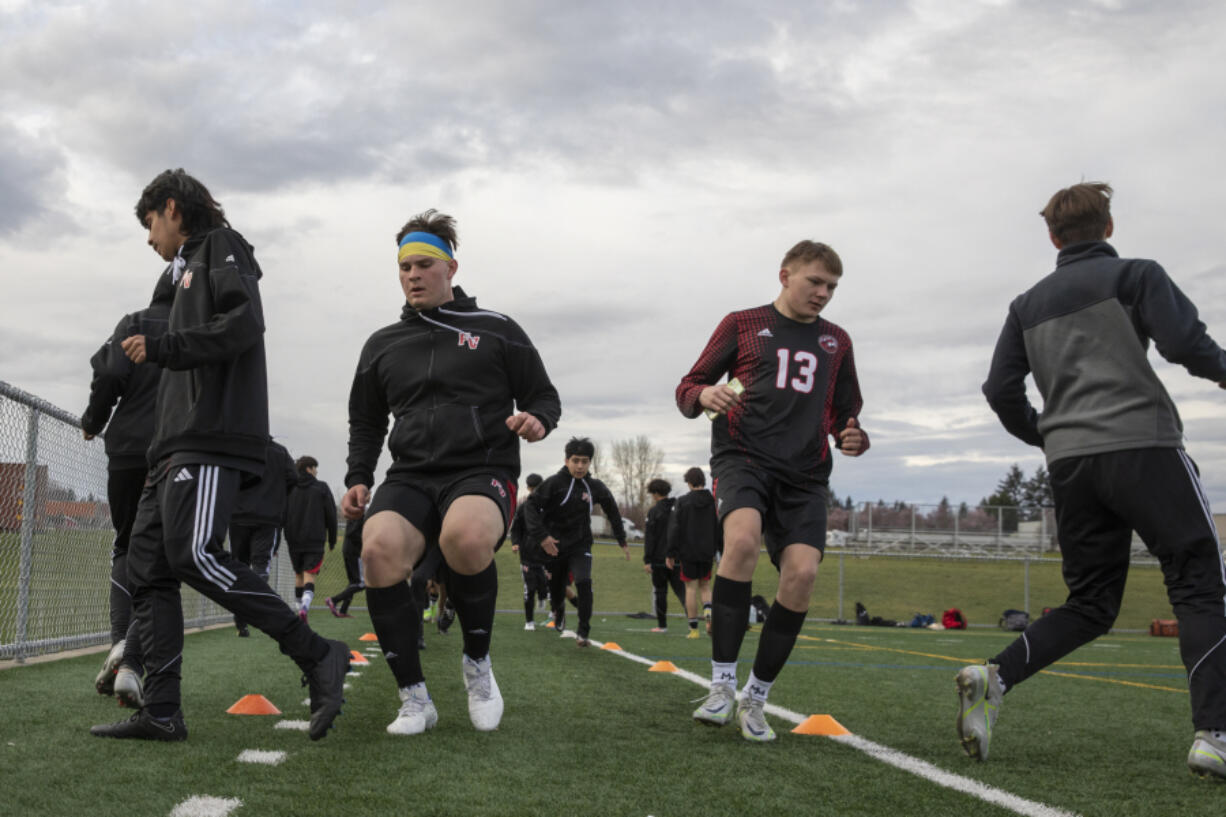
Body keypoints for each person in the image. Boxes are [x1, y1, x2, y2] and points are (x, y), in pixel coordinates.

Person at [969, 181, 1226, 777]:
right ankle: (1214, 733)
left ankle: (994, 676)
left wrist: (1046, 433)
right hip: (1145, 447)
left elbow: (998, 390)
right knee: (1197, 582)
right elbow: (1186, 343)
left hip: (1071, 466)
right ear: (1108, 228)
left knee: (1090, 603)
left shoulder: (1025, 305)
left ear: (1053, 237)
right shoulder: (1136, 275)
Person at [90, 169, 349, 743]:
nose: (149, 237)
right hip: (173, 445)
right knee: (149, 571)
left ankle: (317, 652)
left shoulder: (219, 248)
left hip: (211, 437)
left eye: (150, 222)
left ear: (174, 208)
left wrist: (167, 347)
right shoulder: (181, 272)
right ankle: (161, 711)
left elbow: (244, 322)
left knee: (194, 555)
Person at [343, 208, 560, 736]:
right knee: (376, 550)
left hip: (482, 468)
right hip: (412, 473)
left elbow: (543, 397)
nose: (412, 275)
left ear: (451, 268)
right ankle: (414, 697)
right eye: (404, 267)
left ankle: (478, 666)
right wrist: (358, 475)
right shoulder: (382, 344)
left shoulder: (498, 329)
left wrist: (537, 421)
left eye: (424, 264)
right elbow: (366, 421)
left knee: (463, 536)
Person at [676, 239, 867, 742]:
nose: (823, 293)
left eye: (832, 287)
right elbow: (688, 386)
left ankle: (756, 699)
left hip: (805, 476)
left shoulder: (837, 341)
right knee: (740, 542)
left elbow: (847, 413)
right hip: (743, 459)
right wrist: (702, 393)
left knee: (802, 575)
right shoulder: (742, 324)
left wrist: (853, 436)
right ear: (785, 276)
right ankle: (720, 688)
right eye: (815, 282)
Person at [81, 268, 173, 705]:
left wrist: (93, 420)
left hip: (127, 448)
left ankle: (119, 641)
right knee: (160, 558)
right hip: (174, 451)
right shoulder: (199, 330)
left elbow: (111, 375)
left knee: (124, 545)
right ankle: (132, 659)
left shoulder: (134, 322)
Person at [524, 436, 630, 647]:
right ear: (567, 461)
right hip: (554, 546)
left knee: (583, 582)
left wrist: (621, 539)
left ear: (590, 462)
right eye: (575, 460)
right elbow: (530, 507)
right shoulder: (554, 484)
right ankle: (558, 610)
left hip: (580, 545)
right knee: (556, 590)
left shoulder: (594, 486)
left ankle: (583, 632)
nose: (580, 465)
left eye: (584, 461)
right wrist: (542, 536)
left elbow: (612, 510)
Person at [228, 439, 296, 636]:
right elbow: (293, 478)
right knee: (261, 566)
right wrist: (277, 497)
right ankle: (254, 612)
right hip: (267, 518)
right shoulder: (280, 452)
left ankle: (241, 616)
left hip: (238, 515)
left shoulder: (240, 447)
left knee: (238, 565)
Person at [667, 467, 722, 639]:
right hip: (707, 551)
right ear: (703, 481)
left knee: (690, 588)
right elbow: (719, 527)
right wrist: (719, 549)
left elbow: (675, 528)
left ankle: (694, 630)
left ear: (689, 482)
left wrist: (671, 552)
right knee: (705, 586)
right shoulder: (713, 502)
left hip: (688, 551)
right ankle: (709, 618)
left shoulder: (682, 502)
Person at [285, 455, 338, 621]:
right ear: (309, 468)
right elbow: (331, 515)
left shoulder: (290, 488)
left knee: (298, 575)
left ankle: (298, 608)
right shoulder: (321, 488)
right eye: (315, 468)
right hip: (315, 540)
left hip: (293, 540)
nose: (316, 471)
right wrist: (332, 539)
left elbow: (282, 513)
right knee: (310, 575)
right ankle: (305, 607)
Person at [509, 473, 551, 630]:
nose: (535, 492)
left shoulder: (549, 506)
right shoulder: (523, 507)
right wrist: (515, 543)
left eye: (538, 489)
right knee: (529, 588)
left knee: (546, 586)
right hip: (527, 555)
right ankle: (529, 621)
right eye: (532, 489)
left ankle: (552, 614)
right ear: (528, 488)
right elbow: (515, 529)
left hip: (546, 554)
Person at [642, 478, 683, 633]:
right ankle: (692, 623)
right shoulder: (678, 507)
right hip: (677, 558)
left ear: (655, 493)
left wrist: (647, 559)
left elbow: (650, 538)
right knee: (683, 591)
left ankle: (662, 625)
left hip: (659, 560)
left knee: (660, 592)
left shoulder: (654, 512)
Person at [326, 512, 366, 618]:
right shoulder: (359, 514)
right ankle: (333, 600)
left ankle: (343, 610)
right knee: (361, 583)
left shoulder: (353, 513)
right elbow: (352, 533)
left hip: (348, 550)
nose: (368, 498)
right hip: (354, 552)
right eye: (367, 495)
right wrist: (365, 540)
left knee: (353, 582)